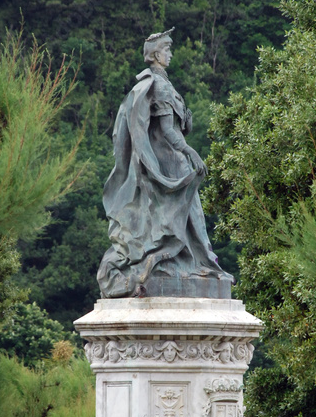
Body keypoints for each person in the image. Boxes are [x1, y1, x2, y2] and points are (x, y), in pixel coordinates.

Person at [97, 29, 233, 299]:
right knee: (188, 212)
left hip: (172, 158)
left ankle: (197, 262)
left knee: (185, 213)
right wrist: (191, 152)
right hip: (172, 160)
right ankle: (198, 262)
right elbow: (169, 131)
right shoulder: (159, 85)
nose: (170, 54)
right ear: (156, 55)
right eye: (167, 50)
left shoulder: (163, 83)